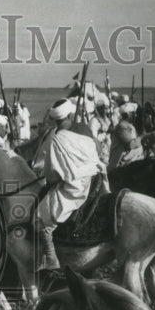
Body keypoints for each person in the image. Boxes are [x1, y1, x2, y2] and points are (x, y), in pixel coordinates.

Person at [34, 99, 102, 271]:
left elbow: (52, 175)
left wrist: (52, 181)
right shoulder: (84, 129)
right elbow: (99, 151)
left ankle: (51, 259)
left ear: (55, 119)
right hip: (95, 177)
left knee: (40, 218)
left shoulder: (56, 139)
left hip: (75, 187)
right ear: (71, 114)